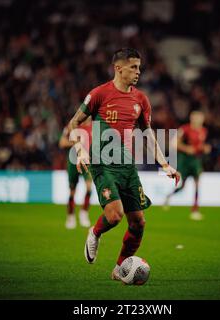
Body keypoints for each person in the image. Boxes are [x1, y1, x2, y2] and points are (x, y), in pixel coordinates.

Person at [66, 48, 180, 280]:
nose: (138, 71)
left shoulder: (141, 99)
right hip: (102, 163)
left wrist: (164, 164)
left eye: (139, 67)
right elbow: (73, 123)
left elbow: (148, 135)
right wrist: (79, 151)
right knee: (115, 215)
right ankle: (95, 232)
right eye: (133, 67)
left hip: (127, 167)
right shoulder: (99, 94)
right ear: (118, 68)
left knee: (138, 223)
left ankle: (119, 269)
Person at [164, 110, 211, 220]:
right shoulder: (184, 129)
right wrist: (186, 148)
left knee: (197, 183)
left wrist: (205, 148)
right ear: (191, 118)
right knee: (183, 186)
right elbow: (174, 143)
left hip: (196, 160)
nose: (197, 120)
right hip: (184, 160)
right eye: (195, 117)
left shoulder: (204, 131)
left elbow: (199, 145)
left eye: (199, 118)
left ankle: (195, 210)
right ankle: (169, 196)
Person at [58, 118, 93, 229]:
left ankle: (84, 213)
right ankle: (71, 216)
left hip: (87, 161)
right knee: (72, 190)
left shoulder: (95, 127)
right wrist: (77, 143)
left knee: (89, 188)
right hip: (73, 160)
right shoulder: (72, 126)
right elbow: (62, 143)